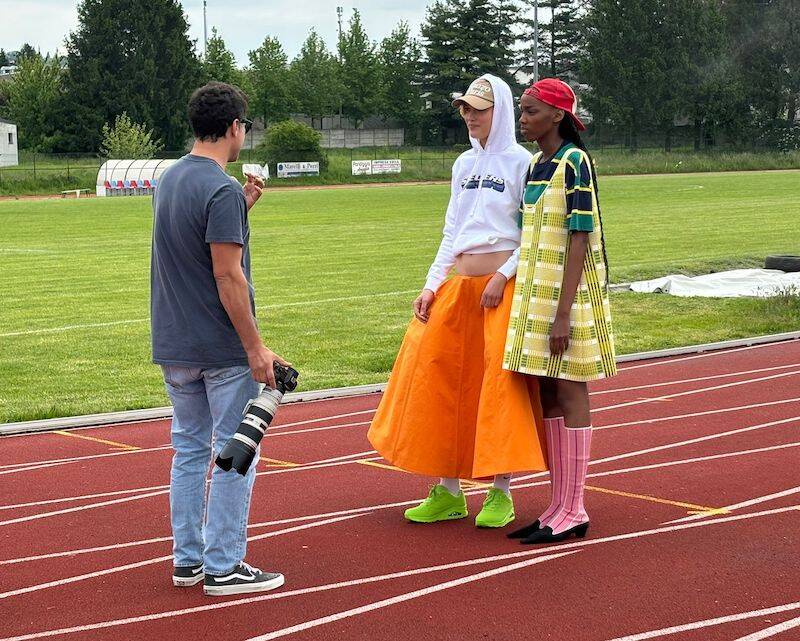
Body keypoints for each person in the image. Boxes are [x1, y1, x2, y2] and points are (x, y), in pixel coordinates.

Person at [368, 74, 547, 529]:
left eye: (478, 109)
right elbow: (452, 229)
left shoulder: (522, 163)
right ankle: (448, 490)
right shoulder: (462, 164)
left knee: (497, 388)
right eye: (465, 108)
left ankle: (500, 491)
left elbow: (534, 233)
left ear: (499, 110)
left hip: (498, 290)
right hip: (460, 287)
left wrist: (504, 276)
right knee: (439, 380)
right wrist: (432, 283)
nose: (469, 116)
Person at [150, 81, 289, 595]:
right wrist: (256, 347)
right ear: (235, 127)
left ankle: (188, 560)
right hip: (219, 347)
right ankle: (225, 564)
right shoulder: (221, 188)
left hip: (174, 340)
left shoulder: (170, 179)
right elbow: (228, 276)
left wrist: (242, 206)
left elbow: (191, 245)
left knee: (187, 450)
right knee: (235, 450)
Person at [505, 78, 617, 545]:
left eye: (530, 111)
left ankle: (574, 508)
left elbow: (578, 236)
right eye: (521, 111)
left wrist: (563, 313)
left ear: (557, 115)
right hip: (536, 294)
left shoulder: (574, 162)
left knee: (570, 389)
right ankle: (557, 504)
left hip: (565, 298)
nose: (523, 119)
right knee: (547, 393)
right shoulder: (535, 164)